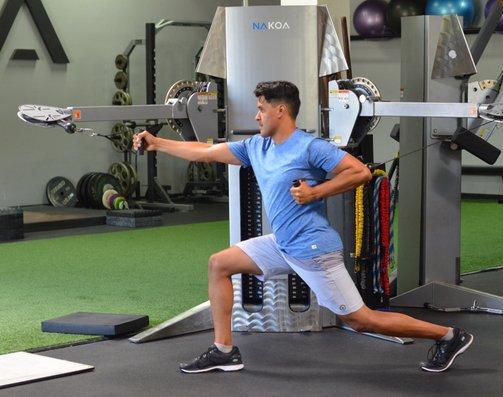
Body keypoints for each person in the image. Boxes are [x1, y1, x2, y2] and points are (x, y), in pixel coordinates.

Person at [133, 80, 473, 374]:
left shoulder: (310, 147)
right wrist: (158, 143)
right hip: (283, 243)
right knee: (219, 263)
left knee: (360, 320)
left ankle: (448, 336)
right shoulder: (257, 146)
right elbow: (205, 153)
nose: (256, 116)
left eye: (261, 109)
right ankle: (224, 351)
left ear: (281, 110)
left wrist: (315, 192)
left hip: (314, 249)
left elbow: (359, 172)